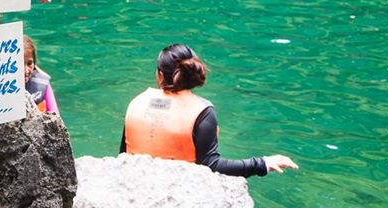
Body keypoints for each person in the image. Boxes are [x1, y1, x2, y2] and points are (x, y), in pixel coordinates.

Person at [121, 44, 299, 177]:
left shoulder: (137, 102)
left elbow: (123, 155)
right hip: (179, 187)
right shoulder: (203, 112)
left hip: (136, 182)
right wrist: (262, 163)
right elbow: (211, 165)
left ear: (160, 75)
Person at [24, 35, 59, 114]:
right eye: (19, 64)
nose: (26, 71)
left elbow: (55, 114)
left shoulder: (42, 82)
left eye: (30, 63)